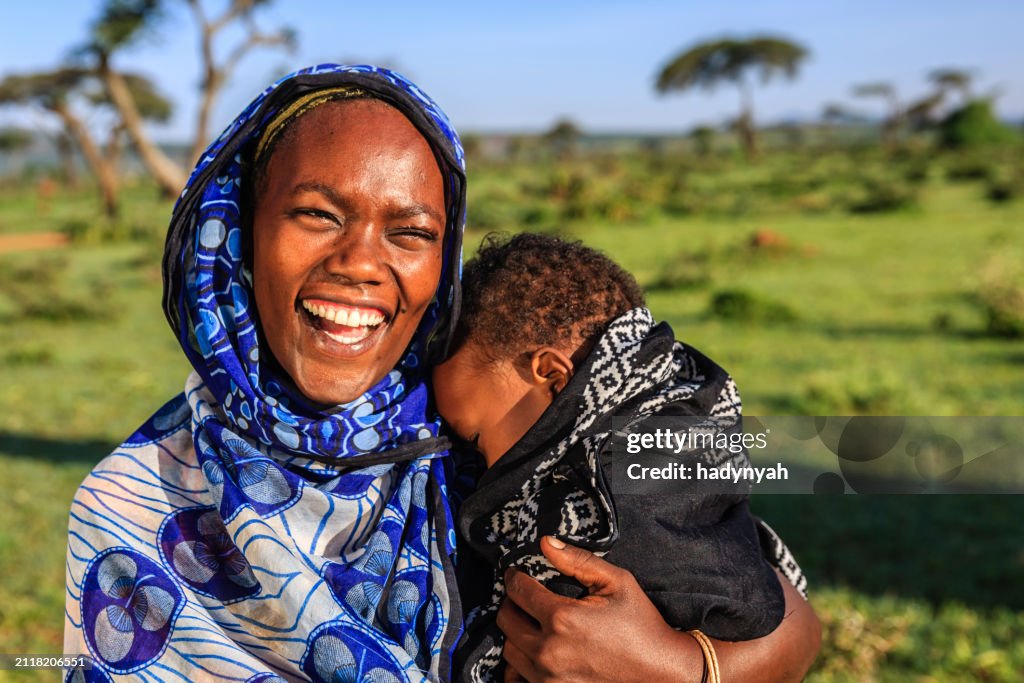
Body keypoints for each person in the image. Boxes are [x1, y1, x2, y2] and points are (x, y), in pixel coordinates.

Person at [64, 65, 818, 683]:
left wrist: (680, 668)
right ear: (239, 233)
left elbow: (789, 617)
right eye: (317, 215)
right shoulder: (130, 500)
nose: (361, 262)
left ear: (442, 259)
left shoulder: (481, 434)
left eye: (411, 232)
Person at [433, 234, 816, 682]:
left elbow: (746, 602)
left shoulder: (610, 490)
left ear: (553, 375)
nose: (481, 466)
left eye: (476, 437)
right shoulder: (677, 418)